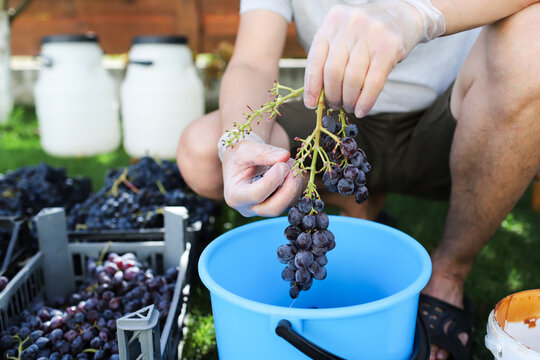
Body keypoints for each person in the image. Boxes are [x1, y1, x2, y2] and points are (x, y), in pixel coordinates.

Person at [177, 1, 540, 358]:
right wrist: (241, 143)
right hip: (340, 128)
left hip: (457, 117)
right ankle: (356, 205)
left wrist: (418, 15)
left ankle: (449, 273)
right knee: (202, 151)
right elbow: (252, 62)